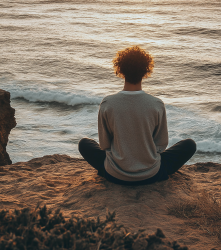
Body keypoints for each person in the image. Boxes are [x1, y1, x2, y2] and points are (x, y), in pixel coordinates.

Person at [78, 46, 196, 185]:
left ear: (120, 70)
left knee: (84, 144)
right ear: (146, 71)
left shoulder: (107, 103)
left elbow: (104, 145)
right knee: (189, 145)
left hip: (114, 174)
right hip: (151, 174)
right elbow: (161, 145)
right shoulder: (156, 104)